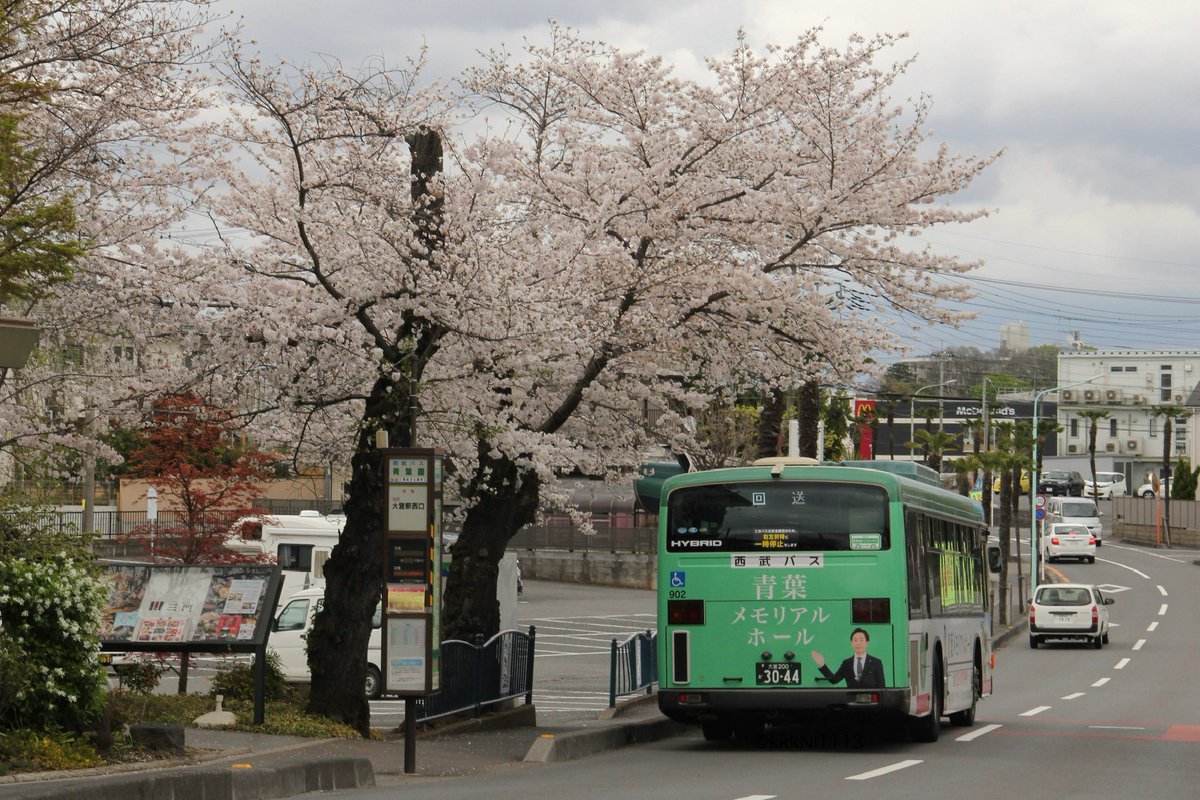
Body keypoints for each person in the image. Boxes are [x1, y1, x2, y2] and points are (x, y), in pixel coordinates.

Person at [811, 627, 884, 689]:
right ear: (851, 643)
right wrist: (822, 665)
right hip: (851, 701)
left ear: (867, 643)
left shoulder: (876, 662)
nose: (858, 643)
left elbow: (882, 687)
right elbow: (834, 680)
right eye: (855, 640)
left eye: (861, 640)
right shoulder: (847, 663)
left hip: (871, 702)